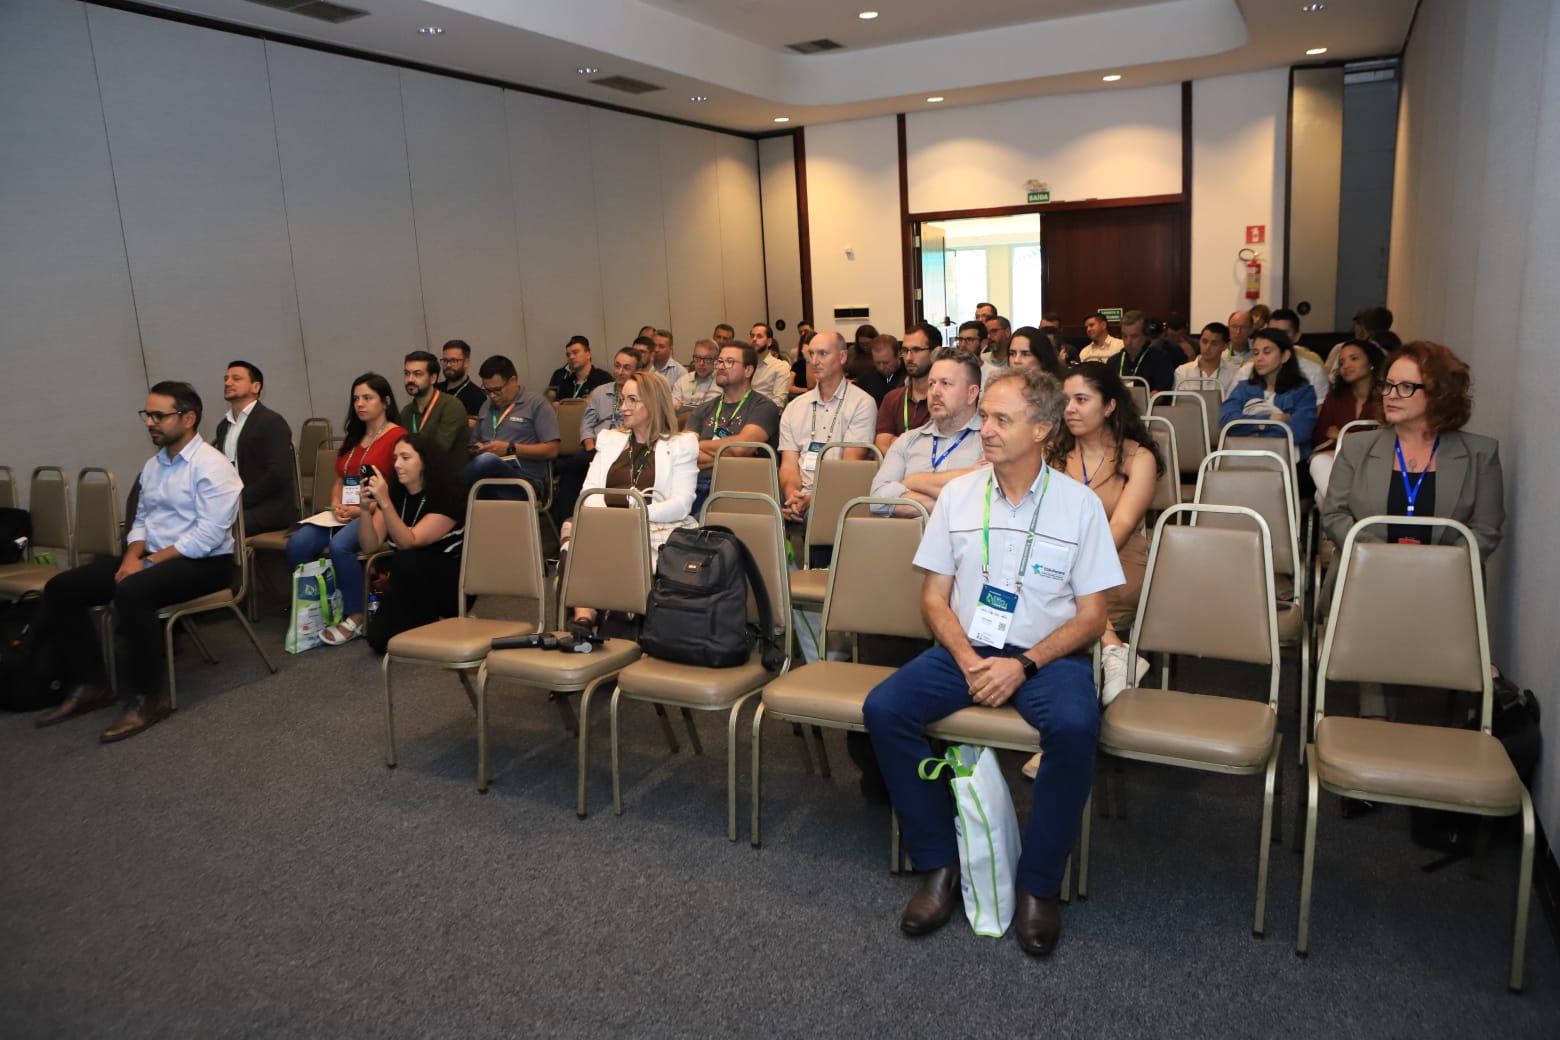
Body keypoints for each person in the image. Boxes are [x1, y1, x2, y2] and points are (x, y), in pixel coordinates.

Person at [862, 368, 1123, 956]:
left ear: (1043, 429)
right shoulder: (958, 495)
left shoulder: (1079, 506)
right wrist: (966, 657)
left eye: (1002, 419)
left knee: (1076, 727)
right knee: (885, 709)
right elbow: (934, 598)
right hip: (966, 649)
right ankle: (939, 864)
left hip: (1047, 658)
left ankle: (1038, 884)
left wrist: (1023, 665)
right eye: (985, 417)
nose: (986, 430)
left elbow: (1091, 618)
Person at [32, 381, 243, 741]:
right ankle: (91, 684)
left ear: (188, 418)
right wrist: (132, 557)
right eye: (147, 415)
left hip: (208, 564)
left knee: (132, 590)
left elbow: (207, 537)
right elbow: (141, 521)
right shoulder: (153, 466)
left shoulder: (213, 466)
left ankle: (148, 699)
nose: (150, 422)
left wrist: (147, 564)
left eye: (159, 416)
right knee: (62, 587)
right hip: (155, 558)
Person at [1321, 340, 1503, 565]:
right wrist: (1386, 558)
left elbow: (1486, 531)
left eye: (1406, 387)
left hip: (1445, 579)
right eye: (1388, 385)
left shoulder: (1480, 454)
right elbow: (1334, 517)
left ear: (1439, 394)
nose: (1391, 395)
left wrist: (1431, 566)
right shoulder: (1355, 447)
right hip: (1367, 574)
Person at [1047, 362, 1162, 714]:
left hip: (1116, 563)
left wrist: (1069, 566)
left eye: (1081, 400)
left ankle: (1106, 657)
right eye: (1065, 401)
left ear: (1110, 406)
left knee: (1052, 591)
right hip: (1056, 561)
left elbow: (1121, 526)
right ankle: (1113, 650)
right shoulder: (1052, 453)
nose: (1070, 409)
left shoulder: (1138, 458)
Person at [565, 371, 698, 636]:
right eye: (622, 400)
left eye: (632, 400)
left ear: (654, 402)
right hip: (608, 525)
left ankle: (605, 620)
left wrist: (633, 516)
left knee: (610, 547)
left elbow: (681, 503)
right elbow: (588, 493)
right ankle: (585, 616)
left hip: (655, 526)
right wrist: (615, 520)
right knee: (572, 528)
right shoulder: (610, 440)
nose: (623, 407)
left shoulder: (681, 445)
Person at [286, 373, 405, 646]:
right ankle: (321, 605)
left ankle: (356, 615)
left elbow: (396, 487)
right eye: (356, 399)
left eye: (367, 398)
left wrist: (361, 509)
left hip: (375, 512)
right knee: (298, 544)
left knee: (339, 546)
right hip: (343, 512)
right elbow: (340, 478)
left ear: (385, 401)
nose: (359, 404)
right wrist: (337, 504)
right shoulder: (354, 437)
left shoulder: (397, 436)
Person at [358, 434, 467, 653]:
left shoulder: (447, 493)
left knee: (406, 558)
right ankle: (424, 625)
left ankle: (436, 621)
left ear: (424, 461)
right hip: (406, 581)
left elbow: (409, 541)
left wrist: (385, 503)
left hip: (448, 581)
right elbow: (369, 545)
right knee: (378, 640)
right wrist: (364, 510)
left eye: (405, 458)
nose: (397, 464)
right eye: (395, 458)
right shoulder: (396, 493)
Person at [778, 332, 879, 538]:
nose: (815, 361)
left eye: (823, 354)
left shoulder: (862, 403)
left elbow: (850, 466)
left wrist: (813, 499)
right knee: (760, 512)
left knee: (815, 515)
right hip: (801, 494)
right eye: (811, 354)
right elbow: (788, 465)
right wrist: (792, 496)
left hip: (841, 495)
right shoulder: (795, 407)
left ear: (842, 357)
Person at [869, 348, 987, 517]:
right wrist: (957, 497)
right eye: (931, 383)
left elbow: (984, 500)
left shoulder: (989, 440)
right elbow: (877, 499)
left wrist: (913, 481)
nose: (934, 392)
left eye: (945, 383)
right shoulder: (907, 441)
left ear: (971, 393)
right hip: (911, 535)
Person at [689, 343, 783, 512]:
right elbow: (685, 453)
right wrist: (730, 455)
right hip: (697, 487)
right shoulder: (703, 409)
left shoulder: (763, 407)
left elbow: (740, 448)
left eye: (730, 362)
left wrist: (700, 445)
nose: (721, 367)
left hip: (741, 490)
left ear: (748, 371)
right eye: (720, 361)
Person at [214, 360, 296, 536]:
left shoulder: (272, 422)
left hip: (268, 509)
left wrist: (240, 499)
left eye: (236, 378)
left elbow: (278, 474)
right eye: (226, 378)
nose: (228, 383)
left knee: (214, 529)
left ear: (256, 387)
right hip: (236, 506)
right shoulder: (223, 426)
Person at [463, 355, 560, 499]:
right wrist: (477, 448)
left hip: (525, 480)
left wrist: (510, 448)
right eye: (487, 391)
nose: (492, 396)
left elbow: (552, 450)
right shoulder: (486, 406)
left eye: (497, 389)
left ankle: (450, 493)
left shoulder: (537, 404)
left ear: (513, 381)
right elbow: (472, 445)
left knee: (487, 460)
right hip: (487, 479)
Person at [1219, 327, 1318, 461]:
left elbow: (1298, 432)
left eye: (1267, 352)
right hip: (1245, 459)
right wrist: (1270, 419)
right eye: (1256, 353)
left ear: (1285, 356)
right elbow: (1227, 423)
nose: (1259, 358)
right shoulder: (1243, 388)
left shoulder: (1304, 392)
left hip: (1289, 463)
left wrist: (1249, 431)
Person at [1308, 339, 1385, 499]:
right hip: (1341, 461)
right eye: (1341, 362)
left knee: (1320, 498)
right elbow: (1320, 437)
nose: (1346, 366)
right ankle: (1352, 510)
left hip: (1375, 462)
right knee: (1319, 463)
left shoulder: (1387, 396)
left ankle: (1346, 510)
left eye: (1354, 358)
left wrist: (1341, 436)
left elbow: (1384, 439)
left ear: (1371, 362)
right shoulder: (1335, 397)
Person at [396, 350, 470, 475]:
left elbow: (439, 450)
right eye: (407, 374)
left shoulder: (451, 406)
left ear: (433, 378)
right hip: (418, 477)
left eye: (417, 374)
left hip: (450, 477)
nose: (410, 379)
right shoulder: (406, 412)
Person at [875, 323, 939, 453]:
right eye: (905, 350)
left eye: (916, 350)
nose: (909, 358)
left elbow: (940, 448)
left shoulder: (945, 399)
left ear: (935, 353)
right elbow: (882, 446)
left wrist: (897, 442)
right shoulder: (892, 398)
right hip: (897, 466)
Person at [1112, 310, 1176, 392]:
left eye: (1134, 336)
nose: (1128, 342)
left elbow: (1160, 391)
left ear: (1146, 335)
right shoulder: (1113, 361)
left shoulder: (1160, 358)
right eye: (1124, 336)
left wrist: (1141, 400)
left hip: (1149, 400)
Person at [1174, 321, 1241, 396]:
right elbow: (1180, 402)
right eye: (1204, 341)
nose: (1207, 347)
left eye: (1214, 344)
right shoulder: (1183, 371)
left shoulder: (1234, 372)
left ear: (1225, 347)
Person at [548, 336, 612, 402]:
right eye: (568, 355)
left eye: (575, 352)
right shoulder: (565, 383)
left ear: (588, 354)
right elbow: (557, 405)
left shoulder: (603, 379)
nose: (571, 357)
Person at [436, 340, 486, 421]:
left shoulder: (477, 396)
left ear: (466, 362)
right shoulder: (435, 389)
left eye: (453, 360)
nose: (448, 365)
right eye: (445, 360)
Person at [748, 322, 792, 409]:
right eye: (752, 336)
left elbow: (779, 402)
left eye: (759, 336)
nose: (754, 339)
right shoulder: (744, 365)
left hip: (766, 412)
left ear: (769, 342)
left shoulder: (780, 366)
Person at [856, 334, 905, 405]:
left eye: (886, 363)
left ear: (898, 355)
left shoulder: (910, 376)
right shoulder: (865, 379)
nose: (881, 368)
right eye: (877, 363)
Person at [673, 339, 721, 412]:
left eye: (707, 359)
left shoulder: (720, 383)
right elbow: (673, 407)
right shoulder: (682, 381)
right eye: (697, 358)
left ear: (716, 361)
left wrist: (685, 406)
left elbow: (711, 410)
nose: (701, 363)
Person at [982, 315, 1013, 383]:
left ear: (1007, 332)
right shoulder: (982, 360)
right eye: (987, 333)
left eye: (994, 331)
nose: (989, 336)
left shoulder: (1016, 361)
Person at [789, 329, 817, 398]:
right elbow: (789, 387)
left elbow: (813, 386)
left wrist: (808, 360)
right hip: (800, 397)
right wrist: (804, 390)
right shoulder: (798, 364)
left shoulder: (821, 363)